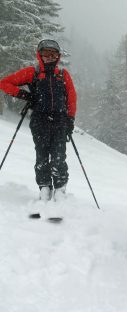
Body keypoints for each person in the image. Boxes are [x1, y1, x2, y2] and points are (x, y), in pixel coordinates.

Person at [0, 39, 77, 201]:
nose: (49, 57)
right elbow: (4, 83)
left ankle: (60, 189)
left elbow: (71, 97)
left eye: (53, 54)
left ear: (58, 56)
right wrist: (25, 95)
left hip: (60, 121)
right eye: (45, 54)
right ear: (39, 55)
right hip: (39, 122)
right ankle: (44, 188)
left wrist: (70, 119)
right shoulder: (32, 72)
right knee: (42, 156)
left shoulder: (62, 74)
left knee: (59, 157)